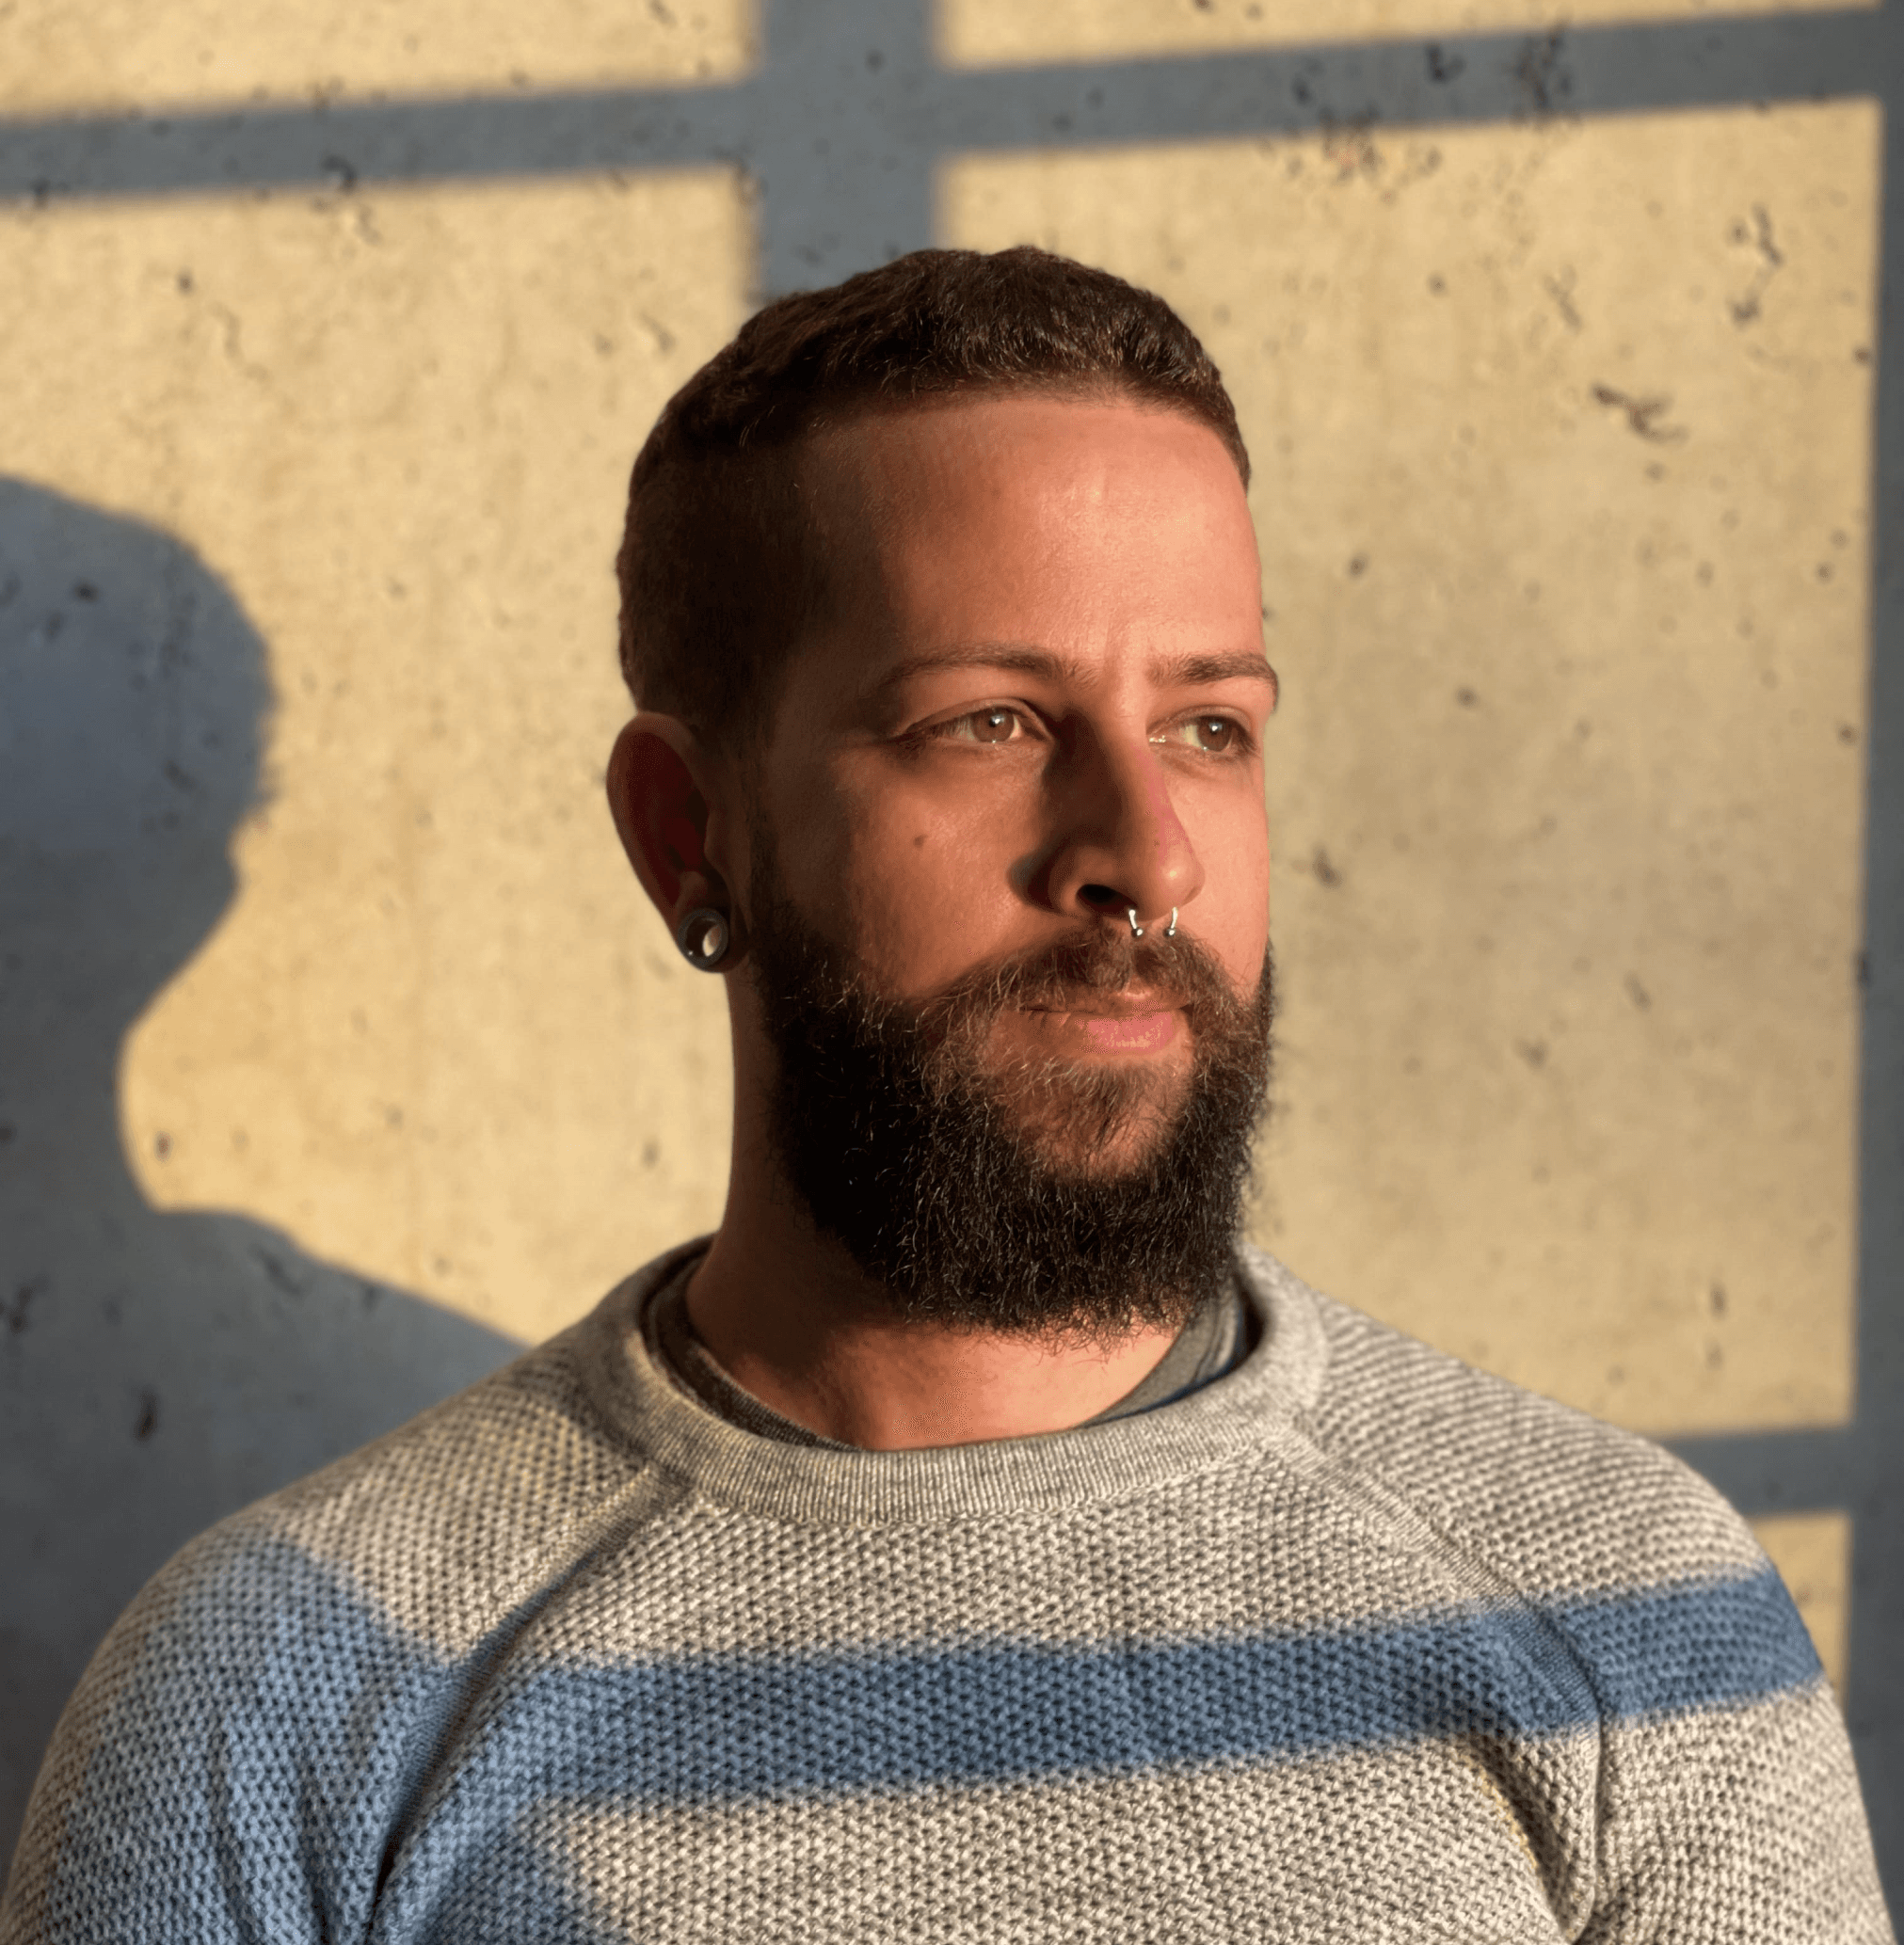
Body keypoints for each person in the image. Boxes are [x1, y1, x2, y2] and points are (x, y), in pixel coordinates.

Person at [1, 247, 1891, 1942]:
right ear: (690, 829)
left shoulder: (1621, 1607)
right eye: (990, 721)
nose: (1142, 854)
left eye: (1211, 726)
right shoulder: (291, 1687)